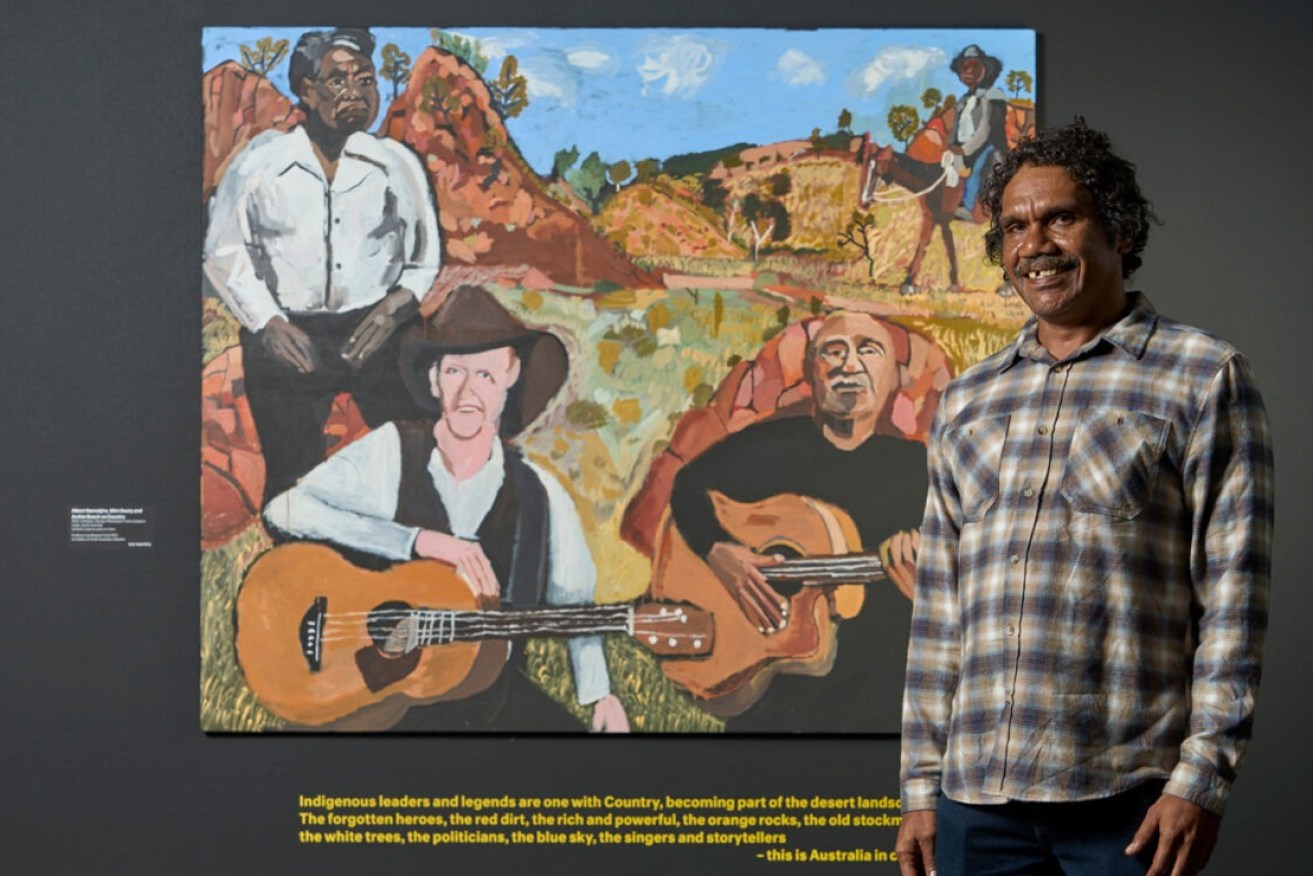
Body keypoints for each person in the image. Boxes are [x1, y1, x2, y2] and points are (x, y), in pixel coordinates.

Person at [897, 121, 1272, 876]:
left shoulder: (1202, 376)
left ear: (1118, 229)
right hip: (975, 802)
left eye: (1058, 217)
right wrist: (918, 787)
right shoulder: (967, 401)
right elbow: (939, 610)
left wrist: (1201, 779)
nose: (1034, 243)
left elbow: (1233, 598)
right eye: (1012, 226)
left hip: (1129, 804)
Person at [263, 286, 629, 733]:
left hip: (483, 699)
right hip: (372, 691)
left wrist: (600, 694)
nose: (468, 392)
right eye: (455, 370)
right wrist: (416, 542)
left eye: (486, 375)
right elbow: (284, 510)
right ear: (434, 379)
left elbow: (575, 603)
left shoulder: (540, 493)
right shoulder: (392, 452)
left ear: (511, 380)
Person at [204, 28, 442, 505]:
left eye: (366, 80)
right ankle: (299, 566)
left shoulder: (396, 164)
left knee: (415, 461)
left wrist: (394, 309)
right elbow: (222, 252)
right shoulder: (258, 165)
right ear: (305, 91)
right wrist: (267, 323)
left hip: (380, 330)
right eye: (337, 81)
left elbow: (425, 256)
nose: (355, 92)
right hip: (286, 335)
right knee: (293, 479)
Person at [669, 310, 926, 732]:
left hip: (881, 707)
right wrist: (719, 552)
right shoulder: (768, 448)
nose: (850, 365)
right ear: (812, 373)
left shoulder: (924, 471)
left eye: (868, 350)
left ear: (893, 377)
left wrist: (929, 598)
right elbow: (687, 489)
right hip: (770, 702)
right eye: (834, 352)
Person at [948, 44, 1010, 222]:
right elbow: (956, 127)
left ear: (985, 70)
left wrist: (965, 150)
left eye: (974, 67)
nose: (969, 72)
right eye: (964, 68)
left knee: (977, 172)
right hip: (964, 149)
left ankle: (968, 208)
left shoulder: (992, 96)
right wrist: (952, 146)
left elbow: (985, 130)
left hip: (989, 148)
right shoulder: (963, 100)